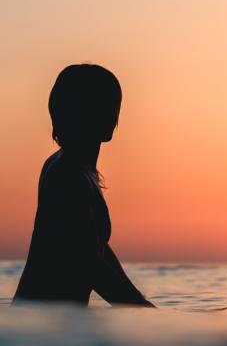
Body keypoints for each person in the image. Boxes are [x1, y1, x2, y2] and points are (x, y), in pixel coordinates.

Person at [13, 64, 154, 307]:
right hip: (44, 326)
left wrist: (144, 309)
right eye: (102, 106)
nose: (112, 115)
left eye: (113, 105)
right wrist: (144, 312)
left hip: (48, 324)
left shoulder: (76, 169)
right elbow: (90, 265)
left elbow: (98, 250)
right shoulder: (67, 176)